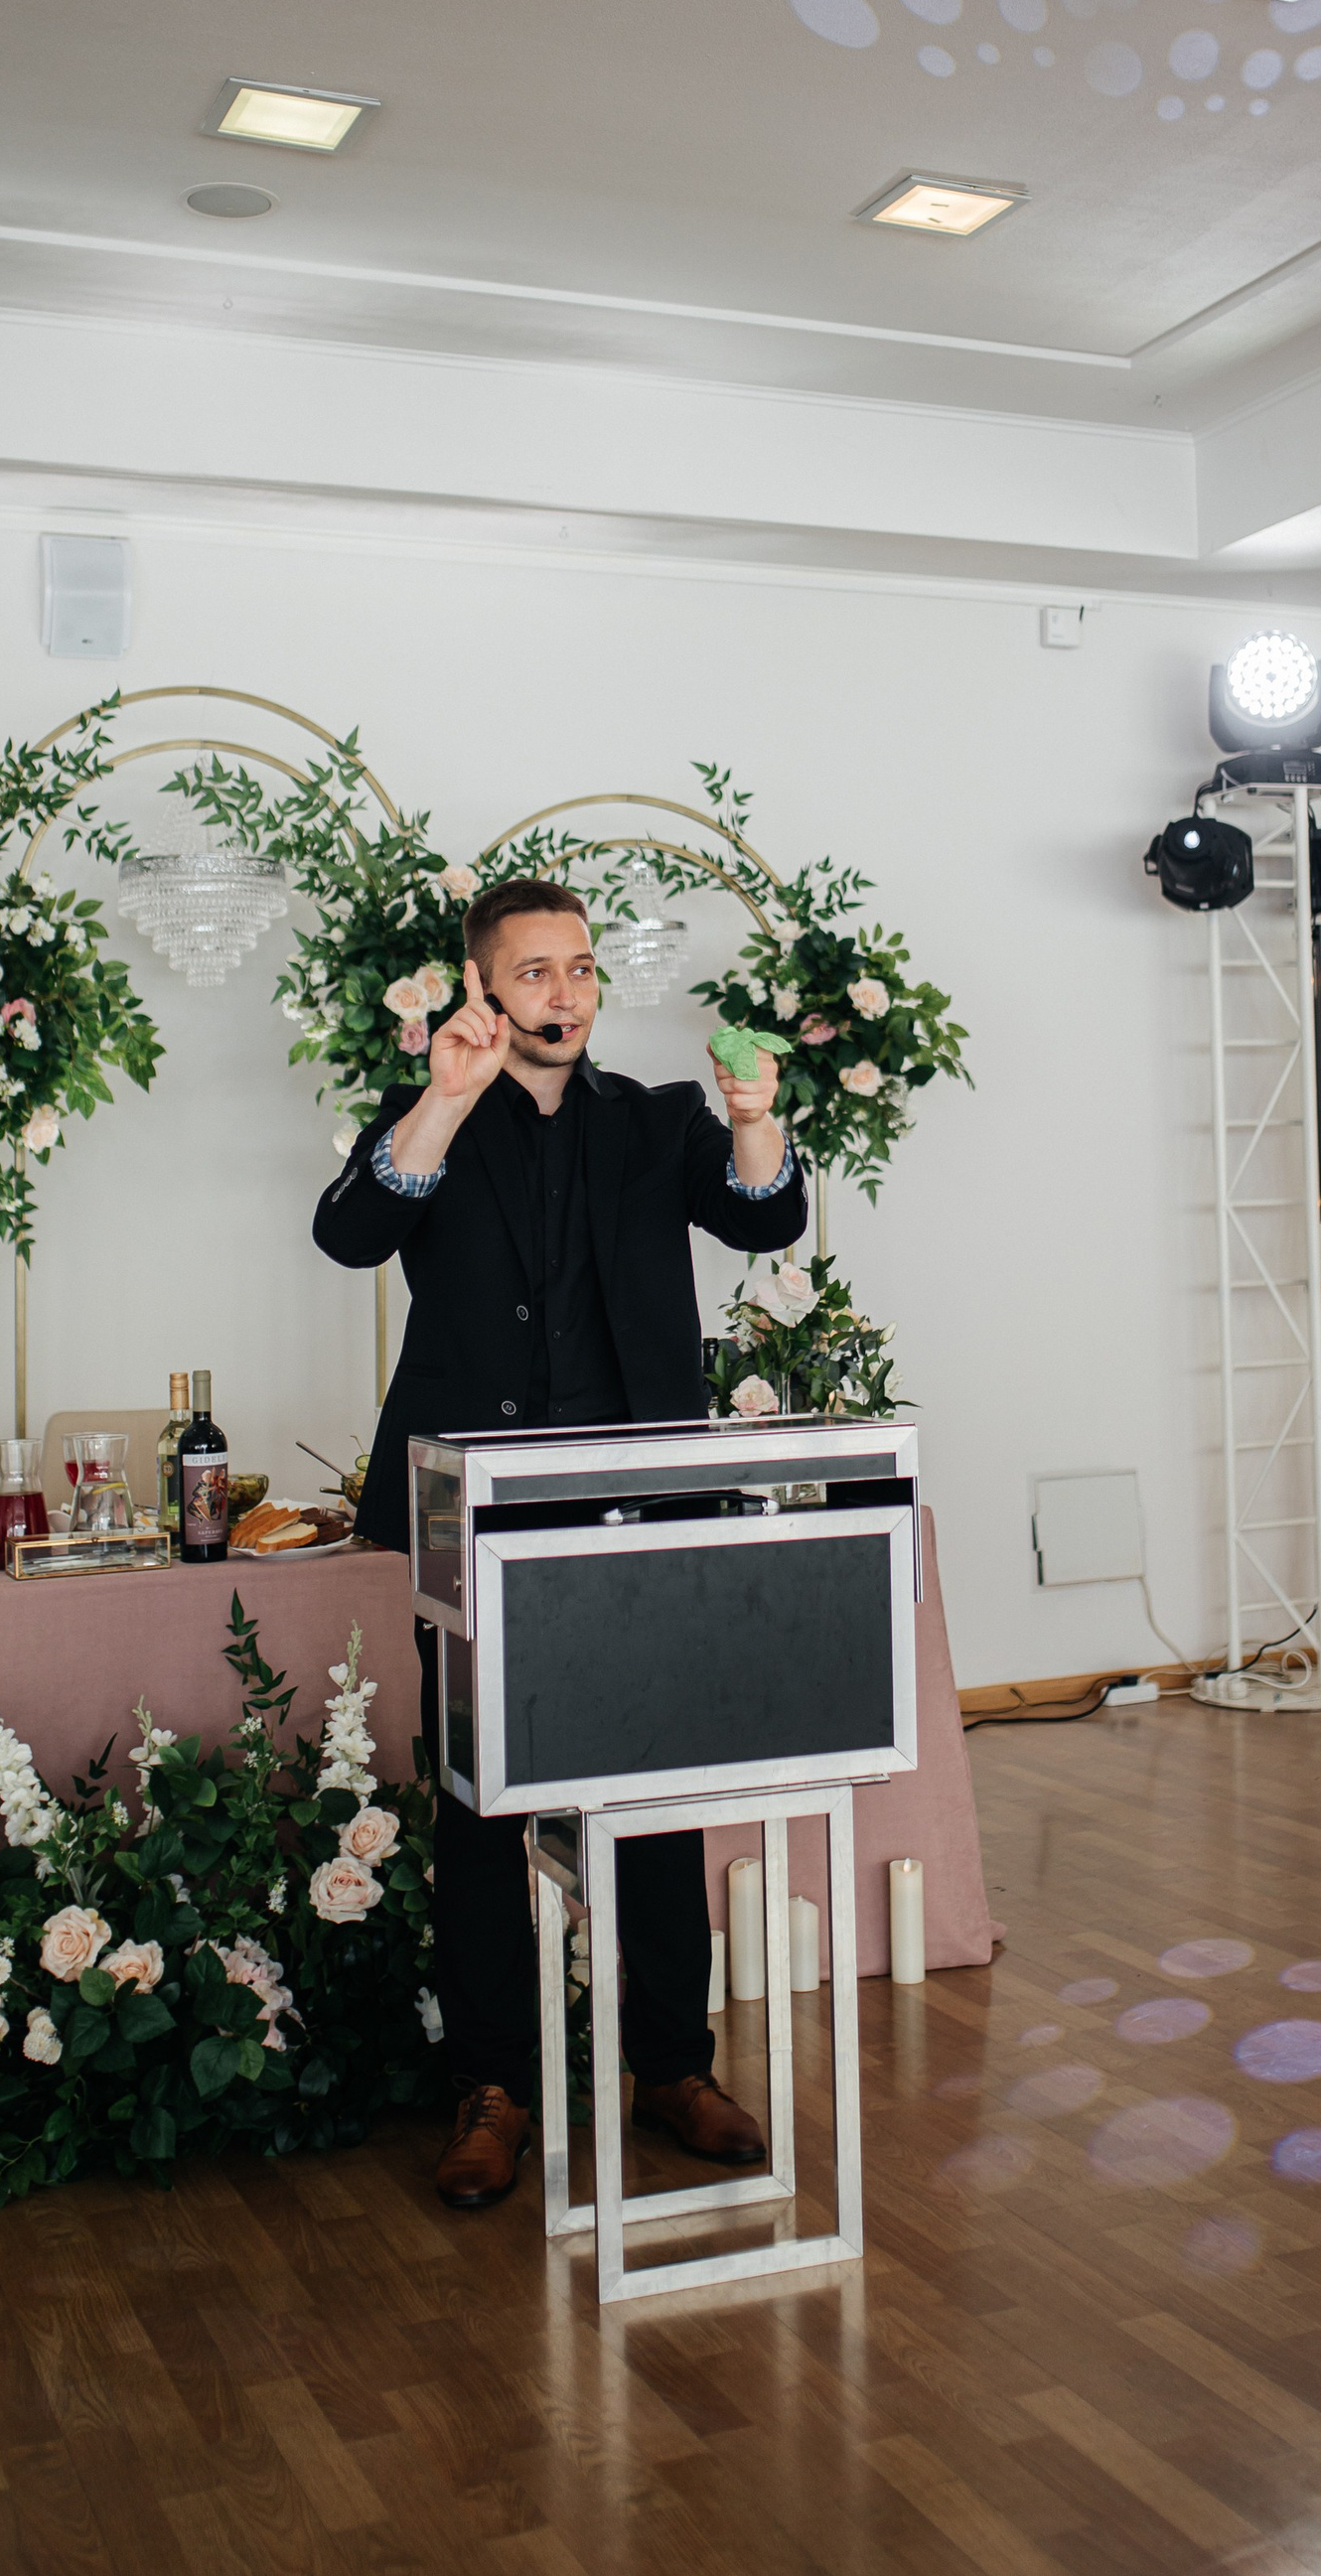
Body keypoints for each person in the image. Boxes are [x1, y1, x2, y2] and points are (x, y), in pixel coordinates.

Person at [313, 876, 807, 2209]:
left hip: (641, 1514)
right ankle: (492, 2089)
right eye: (535, 971)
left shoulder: (655, 1119)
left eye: (581, 969)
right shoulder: (430, 1112)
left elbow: (765, 1216)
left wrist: (754, 1122)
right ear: (481, 987)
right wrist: (446, 1095)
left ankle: (674, 2069)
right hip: (473, 1518)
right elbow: (349, 1233)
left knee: (656, 1803)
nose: (566, 993)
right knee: (482, 1810)